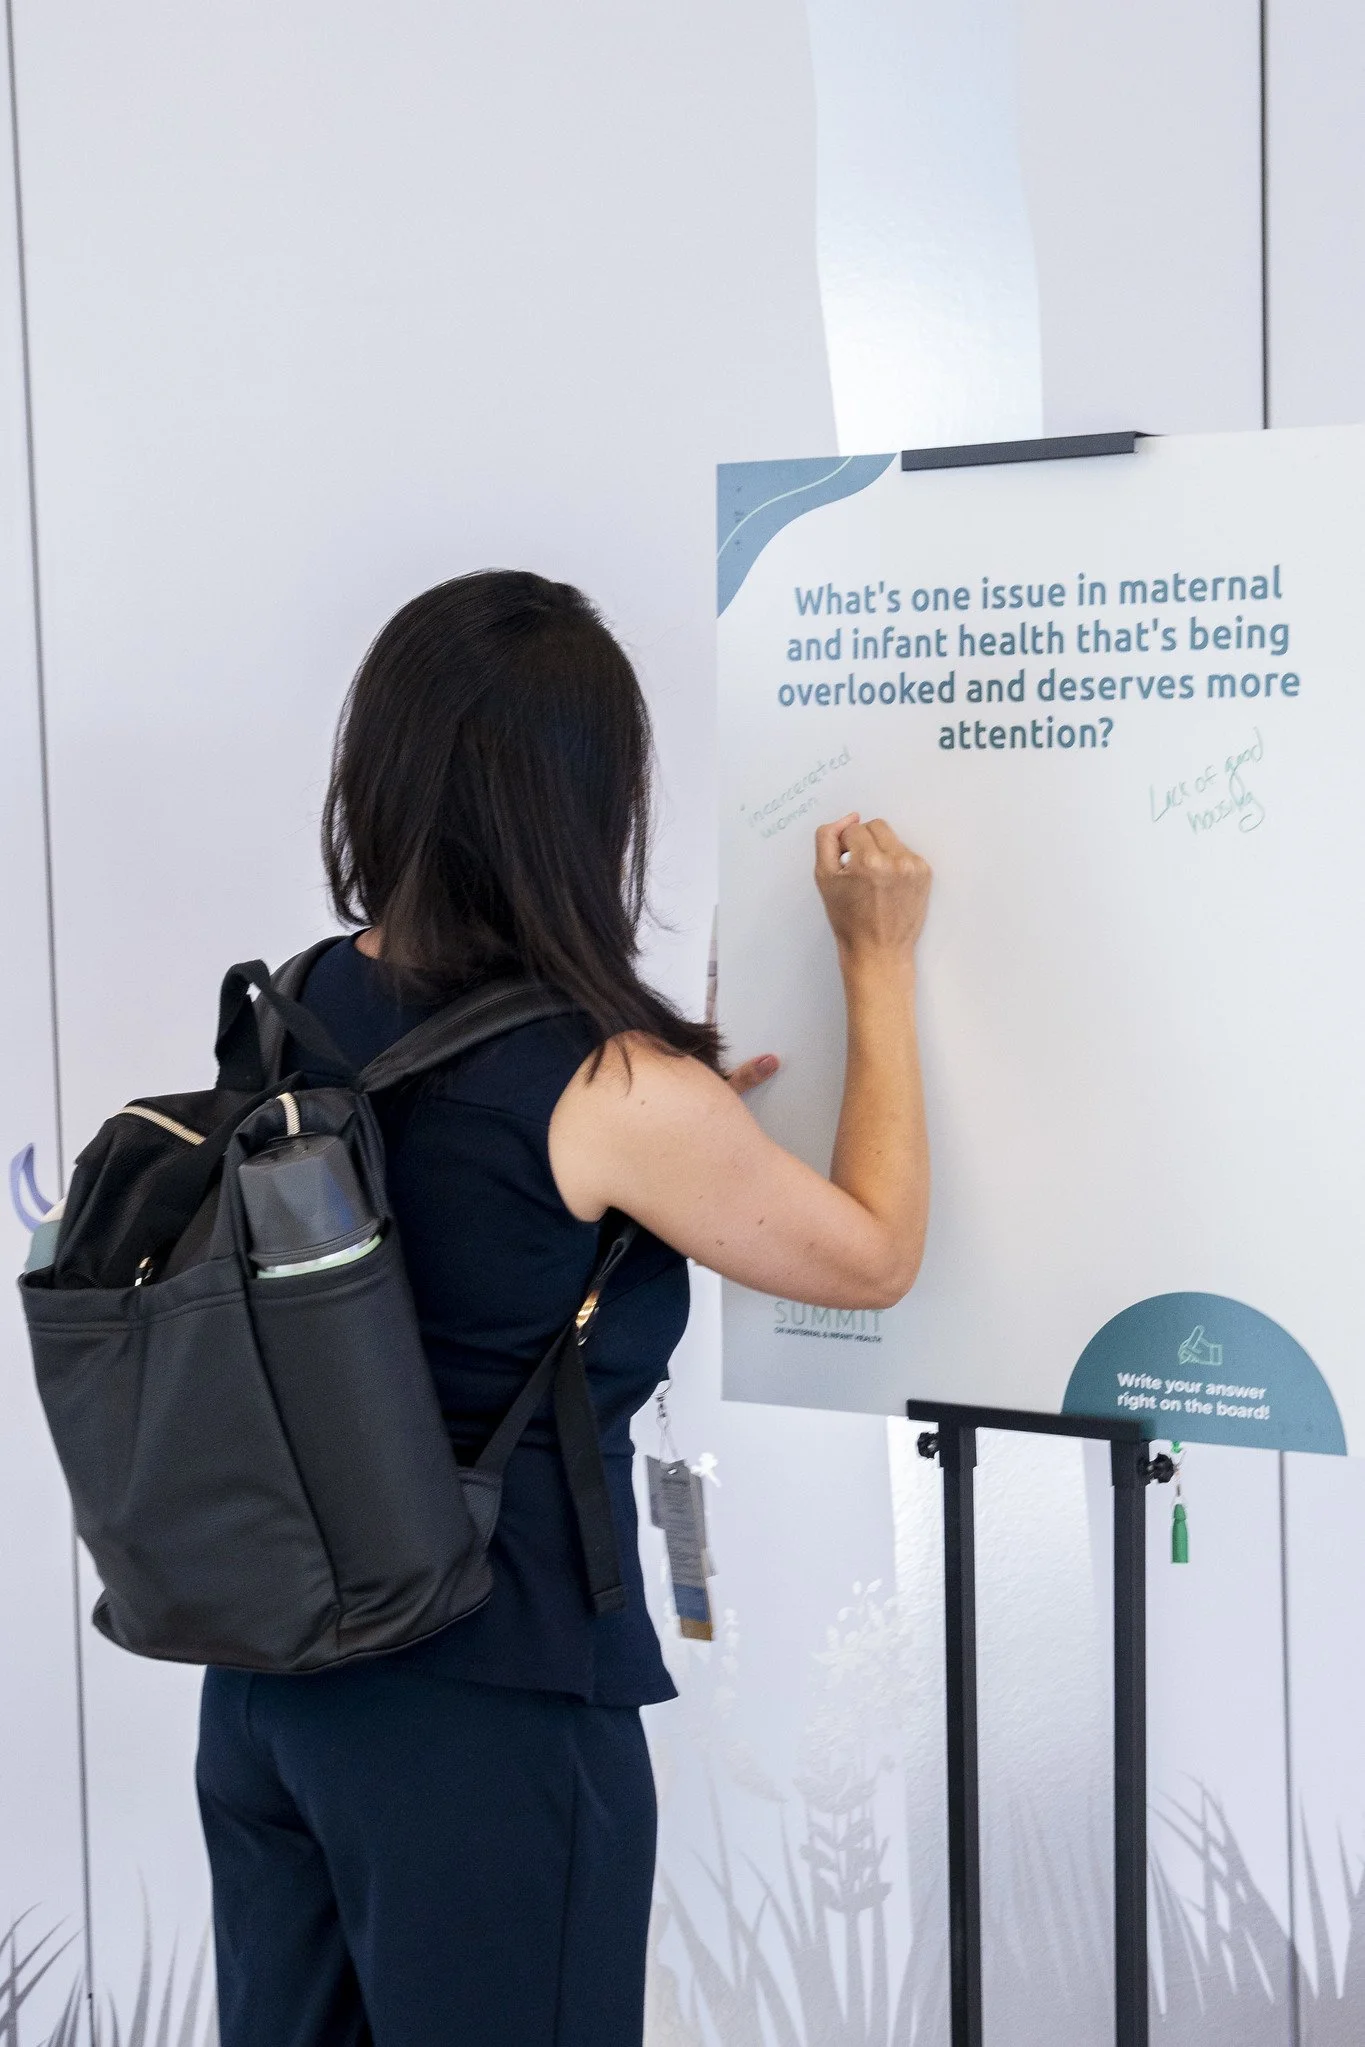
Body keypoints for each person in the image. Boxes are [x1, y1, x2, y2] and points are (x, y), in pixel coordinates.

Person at [195, 569, 932, 2047]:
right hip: (485, 1706)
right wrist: (874, 961)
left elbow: (445, 1216)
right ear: (586, 809)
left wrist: (678, 1145)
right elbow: (873, 1254)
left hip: (271, 1690)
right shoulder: (609, 1086)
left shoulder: (304, 998)